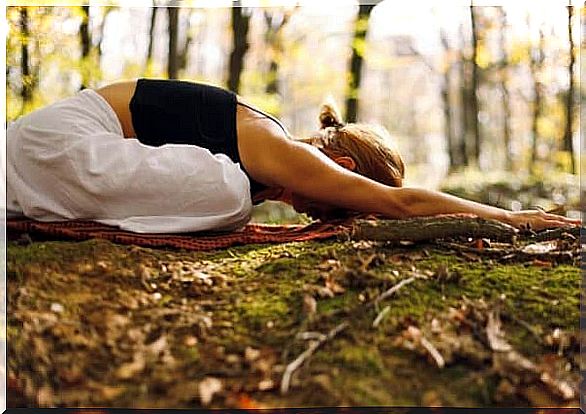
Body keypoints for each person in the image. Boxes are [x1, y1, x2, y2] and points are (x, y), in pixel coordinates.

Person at [6, 78, 579, 233]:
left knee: (232, 194)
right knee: (229, 197)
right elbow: (402, 205)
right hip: (64, 146)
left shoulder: (263, 142)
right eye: (335, 205)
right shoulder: (278, 148)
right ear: (344, 170)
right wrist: (514, 218)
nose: (313, 214)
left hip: (49, 145)